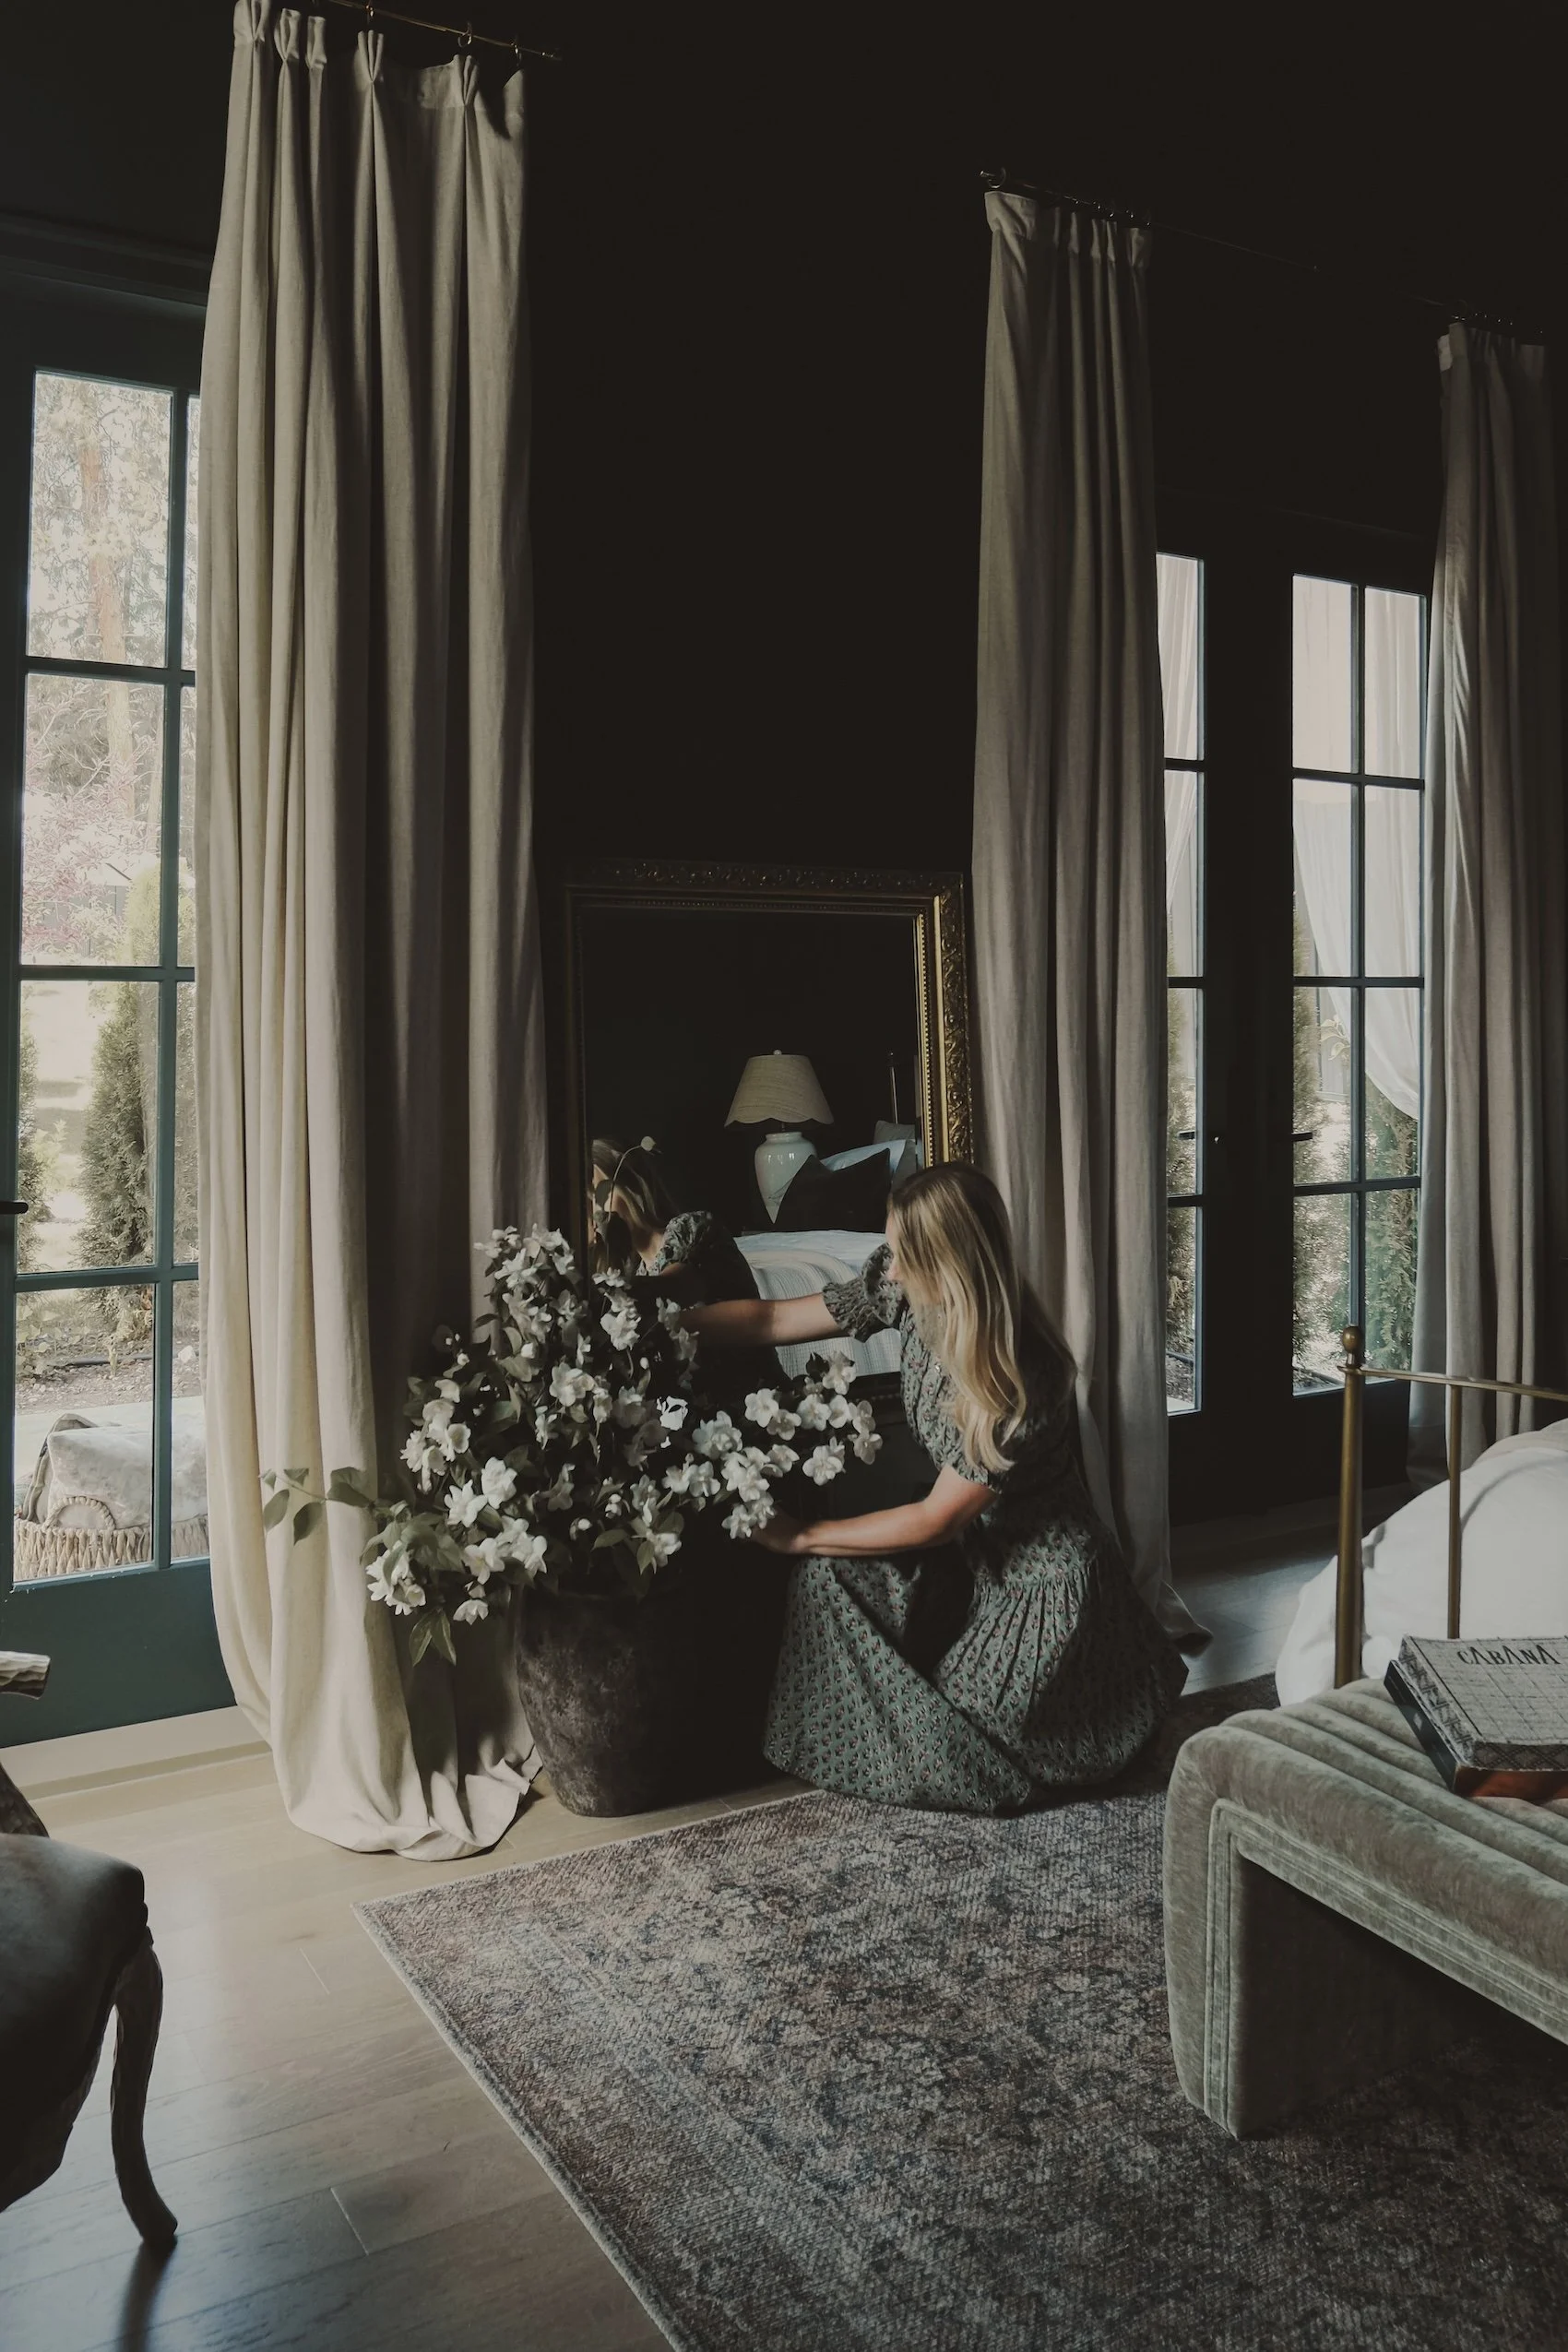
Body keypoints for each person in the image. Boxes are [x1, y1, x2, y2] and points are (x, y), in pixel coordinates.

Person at [686, 1162, 1183, 1811]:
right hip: (971, 1559)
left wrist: (799, 1534)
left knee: (985, 1739)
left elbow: (935, 1519)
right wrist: (673, 1324)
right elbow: (771, 1323)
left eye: (902, 1255)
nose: (887, 1268)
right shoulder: (904, 1291)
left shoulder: (1022, 1378)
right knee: (824, 1580)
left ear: (948, 1265)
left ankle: (1096, 1701)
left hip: (1045, 1588)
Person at [588, 1136, 779, 1403]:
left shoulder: (692, 1228)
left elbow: (674, 1289)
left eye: (599, 1196)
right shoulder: (637, 1272)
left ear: (631, 1186)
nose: (594, 1214)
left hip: (757, 1403)